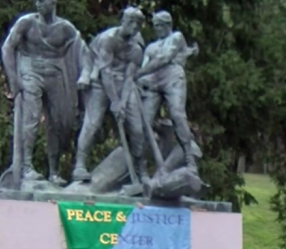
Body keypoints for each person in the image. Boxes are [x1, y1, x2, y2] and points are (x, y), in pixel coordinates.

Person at [0, 0, 84, 186]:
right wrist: (14, 79)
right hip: (30, 70)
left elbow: (80, 51)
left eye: (43, 1)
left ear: (53, 3)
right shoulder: (26, 23)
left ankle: (54, 172)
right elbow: (7, 48)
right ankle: (27, 167)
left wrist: (85, 74)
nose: (38, 4)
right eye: (36, 1)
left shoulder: (65, 28)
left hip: (55, 73)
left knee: (58, 122)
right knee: (31, 118)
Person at [73, 7, 148, 181]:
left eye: (137, 24)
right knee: (92, 124)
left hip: (124, 85)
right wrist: (114, 102)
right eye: (130, 22)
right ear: (123, 21)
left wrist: (121, 102)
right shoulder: (108, 39)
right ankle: (80, 165)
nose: (134, 26)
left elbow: (130, 77)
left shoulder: (136, 49)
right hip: (100, 81)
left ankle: (140, 171)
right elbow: (105, 73)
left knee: (137, 129)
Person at [137, 10, 198, 167]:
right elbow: (144, 68)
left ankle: (189, 157)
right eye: (155, 26)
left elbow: (164, 58)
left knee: (177, 115)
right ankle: (141, 166)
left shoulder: (176, 37)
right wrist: (139, 80)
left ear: (168, 25)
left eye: (160, 25)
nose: (157, 29)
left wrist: (137, 74)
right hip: (153, 80)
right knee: (144, 122)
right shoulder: (150, 47)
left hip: (173, 77)